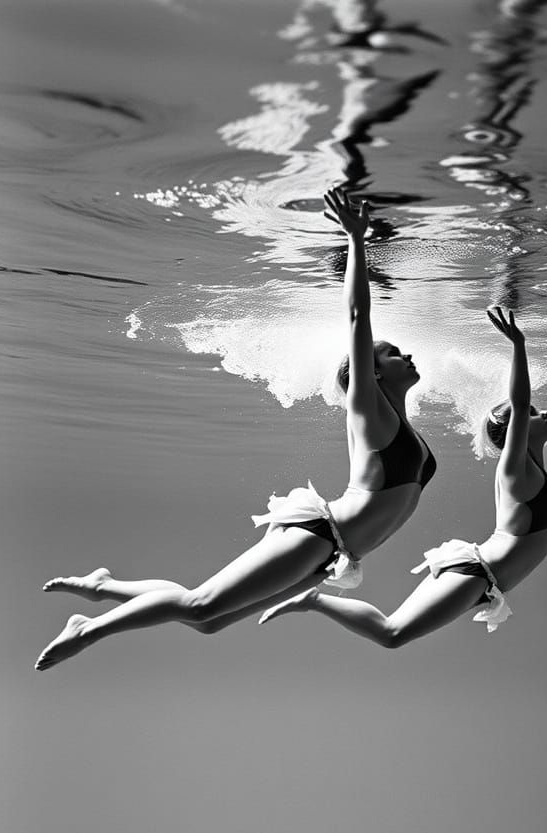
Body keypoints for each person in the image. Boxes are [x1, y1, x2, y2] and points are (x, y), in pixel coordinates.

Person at [35, 187, 436, 670]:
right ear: (370, 374)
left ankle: (103, 586)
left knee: (207, 619)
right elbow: (357, 316)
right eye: (392, 353)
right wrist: (354, 239)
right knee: (201, 605)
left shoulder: (406, 426)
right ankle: (88, 629)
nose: (407, 356)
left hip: (333, 553)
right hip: (318, 537)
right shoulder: (368, 410)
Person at [260, 307, 547, 646]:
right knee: (392, 634)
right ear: (516, 432)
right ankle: (314, 600)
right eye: (535, 414)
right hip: (477, 574)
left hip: (485, 579)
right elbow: (520, 405)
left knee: (394, 634)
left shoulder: (534, 469)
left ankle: (307, 595)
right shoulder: (513, 470)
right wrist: (518, 345)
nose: (545, 413)